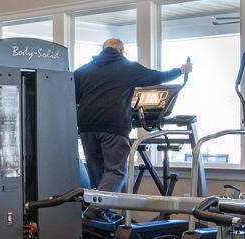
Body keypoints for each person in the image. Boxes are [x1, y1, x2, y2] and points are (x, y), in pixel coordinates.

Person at [73, 39, 189, 193]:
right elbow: (158, 77)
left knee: (96, 174)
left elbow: (74, 97)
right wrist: (181, 70)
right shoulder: (127, 67)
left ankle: (98, 206)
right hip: (113, 126)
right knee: (116, 171)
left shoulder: (83, 70)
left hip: (86, 127)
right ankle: (98, 203)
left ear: (103, 49)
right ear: (122, 51)